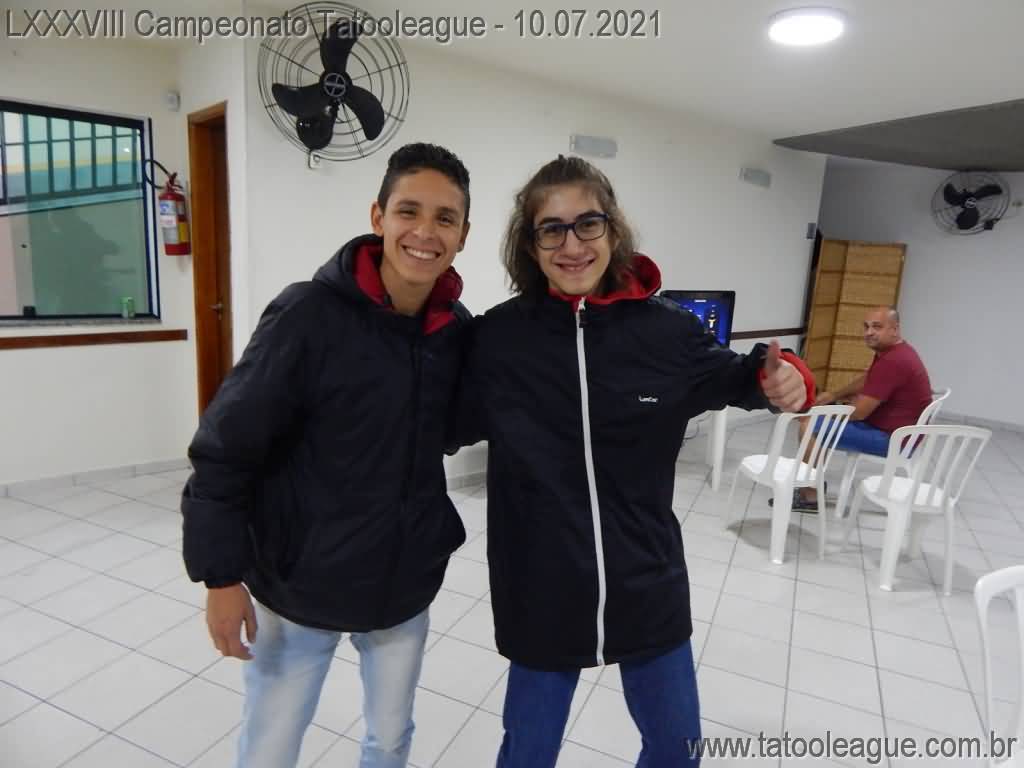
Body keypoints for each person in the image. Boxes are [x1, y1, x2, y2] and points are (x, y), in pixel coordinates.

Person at [449, 155, 814, 768]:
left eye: (587, 224)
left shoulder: (666, 333)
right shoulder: (499, 339)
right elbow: (439, 415)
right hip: (541, 586)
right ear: (530, 245)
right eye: (551, 229)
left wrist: (786, 378)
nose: (572, 245)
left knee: (676, 751)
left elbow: (742, 375)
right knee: (528, 754)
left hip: (646, 580)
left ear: (612, 230)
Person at [180, 143, 473, 768]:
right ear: (379, 217)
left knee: (390, 738)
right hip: (300, 585)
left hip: (401, 588)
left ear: (463, 234)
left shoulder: (454, 331)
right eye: (409, 211)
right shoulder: (307, 315)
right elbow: (226, 448)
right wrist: (221, 577)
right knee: (271, 746)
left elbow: (446, 428)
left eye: (445, 218)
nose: (425, 232)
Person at [786, 305, 932, 512]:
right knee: (817, 420)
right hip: (900, 434)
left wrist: (821, 413)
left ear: (894, 329)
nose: (869, 332)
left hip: (893, 440)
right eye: (866, 326)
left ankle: (810, 495)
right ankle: (812, 485)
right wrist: (834, 395)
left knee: (810, 425)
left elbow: (858, 413)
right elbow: (868, 379)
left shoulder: (893, 361)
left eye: (877, 327)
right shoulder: (896, 352)